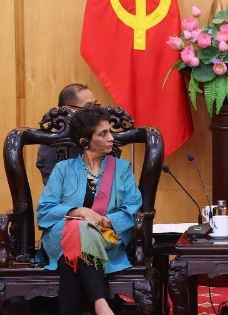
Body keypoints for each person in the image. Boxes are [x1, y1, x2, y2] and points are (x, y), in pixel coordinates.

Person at [36, 106, 142, 315]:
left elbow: (132, 209)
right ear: (85, 141)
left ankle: (98, 303)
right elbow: (45, 210)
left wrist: (104, 221)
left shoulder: (121, 170)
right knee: (78, 228)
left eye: (110, 131)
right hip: (61, 236)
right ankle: (100, 302)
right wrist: (79, 211)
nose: (112, 138)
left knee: (77, 240)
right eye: (103, 134)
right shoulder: (63, 169)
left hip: (105, 237)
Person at [36, 83, 97, 184]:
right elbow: (55, 189)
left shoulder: (101, 138)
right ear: (68, 110)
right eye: (88, 108)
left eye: (96, 106)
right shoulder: (50, 144)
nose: (96, 113)